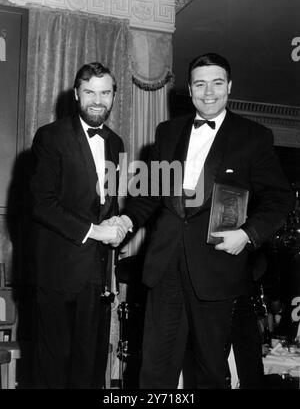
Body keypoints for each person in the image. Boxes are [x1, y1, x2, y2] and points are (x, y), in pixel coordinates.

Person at [109, 52, 293, 388]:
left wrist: (248, 235)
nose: (209, 92)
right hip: (165, 266)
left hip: (217, 268)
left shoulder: (253, 136)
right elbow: (149, 194)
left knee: (210, 369)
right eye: (200, 84)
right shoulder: (167, 132)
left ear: (229, 87)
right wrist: (124, 221)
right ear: (189, 91)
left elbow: (280, 198)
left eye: (217, 83)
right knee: (154, 369)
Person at [30, 62, 125, 388]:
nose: (97, 100)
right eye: (90, 92)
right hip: (59, 275)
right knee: (54, 370)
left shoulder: (116, 143)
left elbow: (106, 204)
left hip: (98, 280)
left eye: (105, 92)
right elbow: (41, 204)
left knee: (91, 368)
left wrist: (116, 223)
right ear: (76, 95)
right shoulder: (50, 136)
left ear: (113, 96)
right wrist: (94, 231)